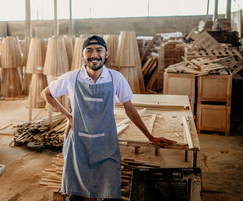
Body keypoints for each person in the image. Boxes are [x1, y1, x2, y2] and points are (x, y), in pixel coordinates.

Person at [41, 35, 176, 200]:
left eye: (99, 50)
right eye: (89, 50)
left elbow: (130, 109)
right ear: (82, 55)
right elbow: (46, 94)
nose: (94, 55)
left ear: (106, 54)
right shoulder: (72, 77)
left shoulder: (115, 78)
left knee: (110, 191)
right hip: (78, 144)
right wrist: (69, 116)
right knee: (76, 194)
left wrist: (150, 136)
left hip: (106, 144)